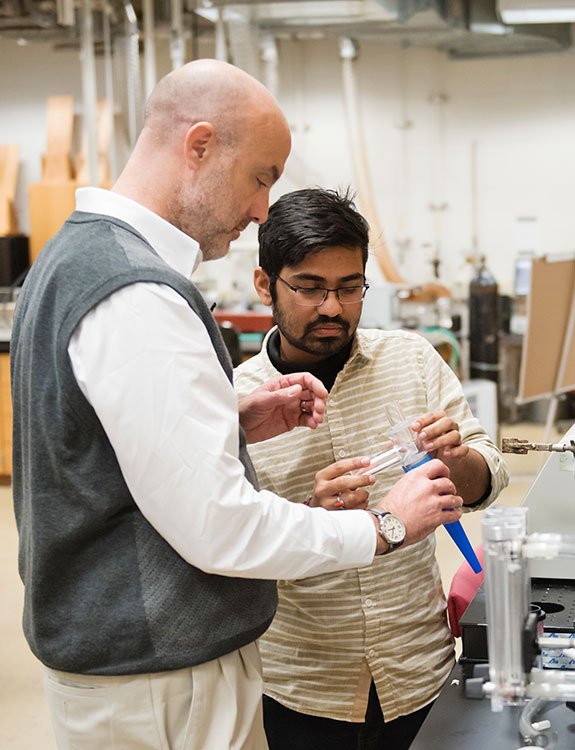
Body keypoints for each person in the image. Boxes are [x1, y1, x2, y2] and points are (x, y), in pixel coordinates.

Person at [10, 63, 465, 750]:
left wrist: (228, 415)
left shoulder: (73, 257)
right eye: (260, 176)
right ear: (197, 146)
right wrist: (384, 526)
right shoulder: (138, 293)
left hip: (135, 668)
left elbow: (101, 444)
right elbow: (219, 527)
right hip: (160, 679)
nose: (262, 208)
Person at [234, 187, 510, 750]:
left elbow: (490, 473)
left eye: (349, 287)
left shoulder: (411, 358)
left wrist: (457, 463)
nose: (332, 307)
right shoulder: (236, 402)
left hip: (421, 672)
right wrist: (314, 517)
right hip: (305, 688)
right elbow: (228, 549)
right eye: (310, 288)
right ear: (265, 284)